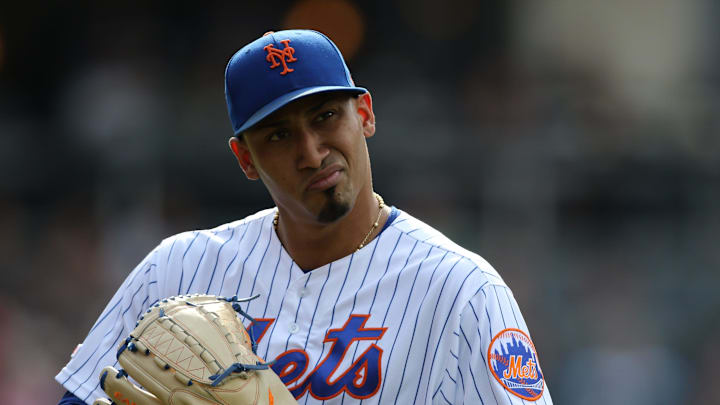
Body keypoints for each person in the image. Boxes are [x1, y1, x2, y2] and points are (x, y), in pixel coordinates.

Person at [56, 29, 553, 404]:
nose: (312, 153)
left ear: (364, 115)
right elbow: (77, 395)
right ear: (245, 159)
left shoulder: (462, 290)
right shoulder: (177, 269)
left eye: (325, 117)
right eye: (278, 135)